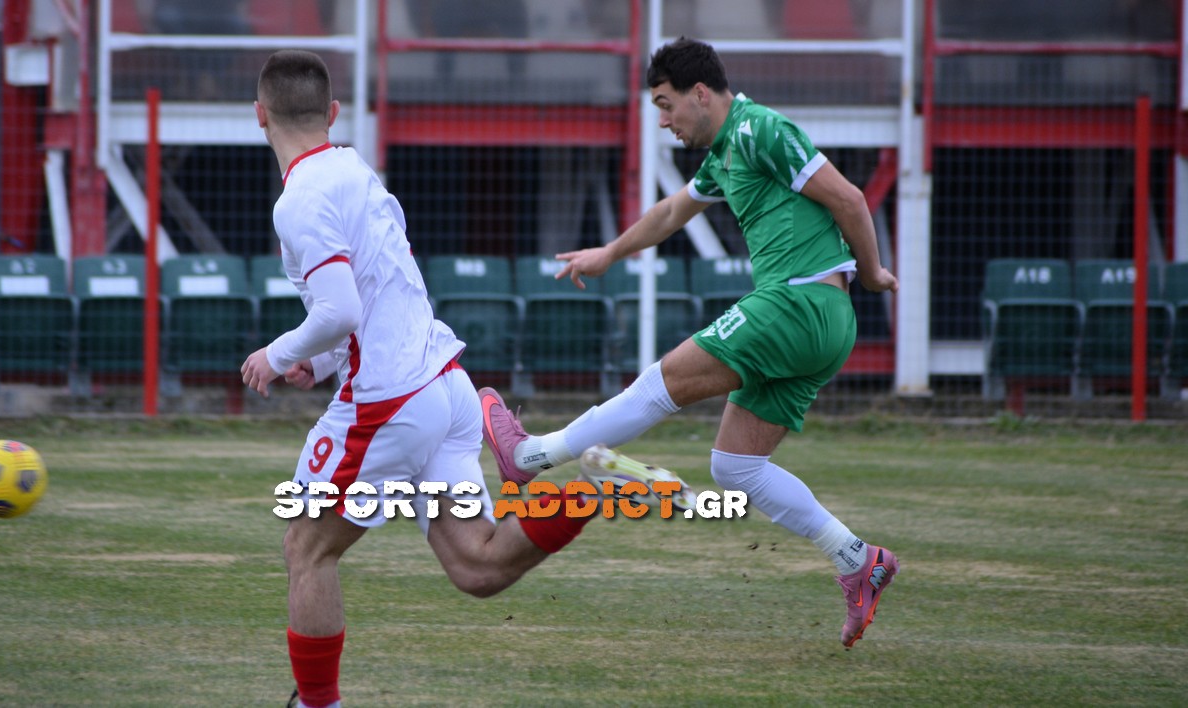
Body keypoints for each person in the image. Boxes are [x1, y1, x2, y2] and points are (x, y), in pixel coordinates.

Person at [240, 50, 691, 708]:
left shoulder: (300, 197)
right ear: (332, 113)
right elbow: (381, 291)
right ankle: (590, 492)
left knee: (306, 549)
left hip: (388, 402)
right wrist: (326, 359)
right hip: (444, 386)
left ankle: (317, 704)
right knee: (477, 566)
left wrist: (277, 354)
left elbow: (340, 310)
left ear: (260, 115)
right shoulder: (355, 170)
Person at [478, 37, 901, 650]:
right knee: (736, 466)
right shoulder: (725, 152)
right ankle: (857, 558)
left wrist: (872, 271)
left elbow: (849, 198)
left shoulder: (758, 129)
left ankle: (529, 456)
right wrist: (609, 252)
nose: (663, 121)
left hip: (798, 303)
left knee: (661, 384)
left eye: (665, 104)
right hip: (822, 323)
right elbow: (672, 211)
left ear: (700, 94)